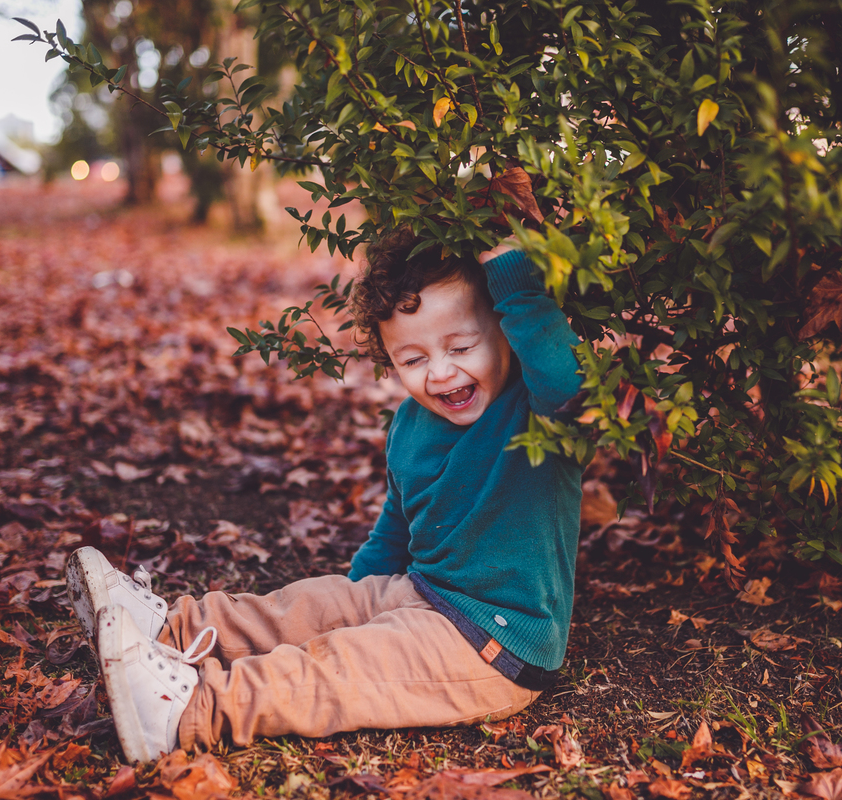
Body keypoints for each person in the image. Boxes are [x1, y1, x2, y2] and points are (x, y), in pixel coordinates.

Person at [65, 232, 584, 763]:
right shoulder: (411, 425)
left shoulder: (536, 409)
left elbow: (570, 382)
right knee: (304, 607)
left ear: (504, 331)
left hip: (495, 646)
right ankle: (168, 629)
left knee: (339, 667)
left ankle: (185, 710)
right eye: (413, 359)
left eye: (460, 347)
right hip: (423, 592)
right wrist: (351, 601)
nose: (440, 372)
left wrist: (514, 277)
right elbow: (399, 522)